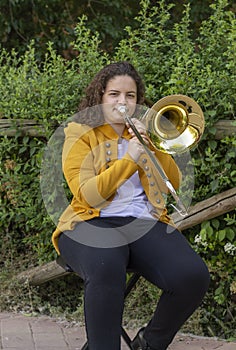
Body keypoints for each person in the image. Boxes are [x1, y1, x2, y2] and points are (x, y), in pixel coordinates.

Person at [51, 61, 210, 350]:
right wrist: (129, 160)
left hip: (142, 222)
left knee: (193, 276)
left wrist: (153, 147)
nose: (122, 102)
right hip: (89, 221)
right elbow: (87, 194)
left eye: (130, 96)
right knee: (106, 264)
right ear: (99, 98)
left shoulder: (142, 133)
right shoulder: (80, 132)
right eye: (114, 94)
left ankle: (148, 344)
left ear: (138, 101)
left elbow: (171, 181)